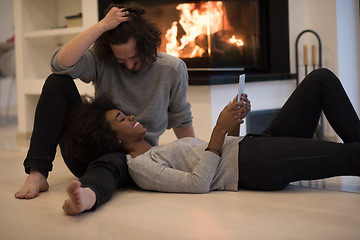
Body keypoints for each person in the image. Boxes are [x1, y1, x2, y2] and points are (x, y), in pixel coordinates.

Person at [61, 68, 360, 215]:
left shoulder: (158, 149)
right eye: (121, 119)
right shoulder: (141, 167)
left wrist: (233, 124)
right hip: (255, 164)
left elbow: (218, 159)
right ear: (112, 138)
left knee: (320, 80)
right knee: (350, 156)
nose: (130, 116)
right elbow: (198, 184)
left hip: (253, 147)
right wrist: (218, 130)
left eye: (125, 113)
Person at [15, 3, 194, 200]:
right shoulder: (102, 60)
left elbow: (181, 120)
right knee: (57, 82)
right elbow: (60, 64)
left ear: (147, 45)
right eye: (120, 61)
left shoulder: (172, 69)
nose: (129, 65)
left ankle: (88, 196)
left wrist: (195, 156)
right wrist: (101, 26)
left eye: (134, 57)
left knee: (114, 163)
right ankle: (37, 173)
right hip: (91, 154)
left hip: (135, 161)